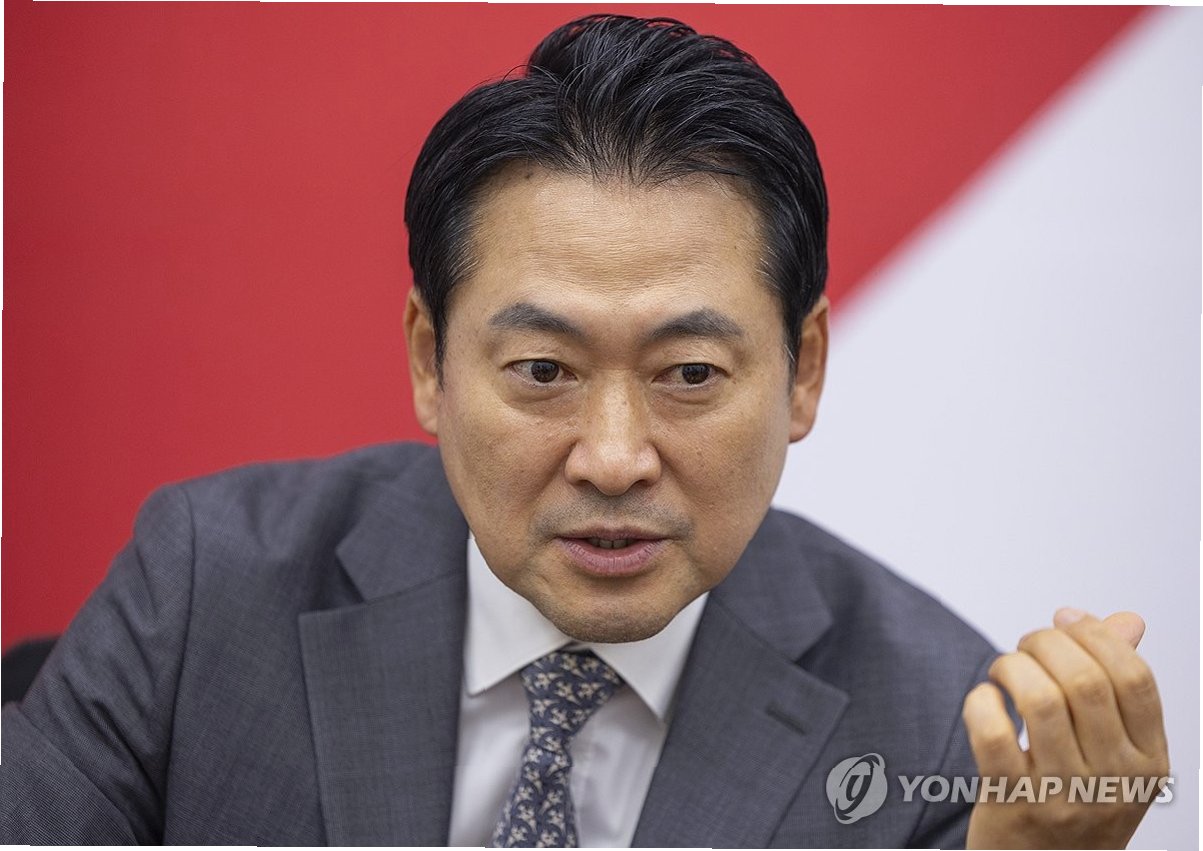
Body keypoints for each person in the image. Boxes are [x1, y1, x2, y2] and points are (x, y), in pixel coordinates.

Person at [0, 14, 1168, 848]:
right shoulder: (208, 590)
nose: (613, 458)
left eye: (690, 374)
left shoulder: (946, 730)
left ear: (804, 369)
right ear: (430, 361)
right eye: (544, 371)